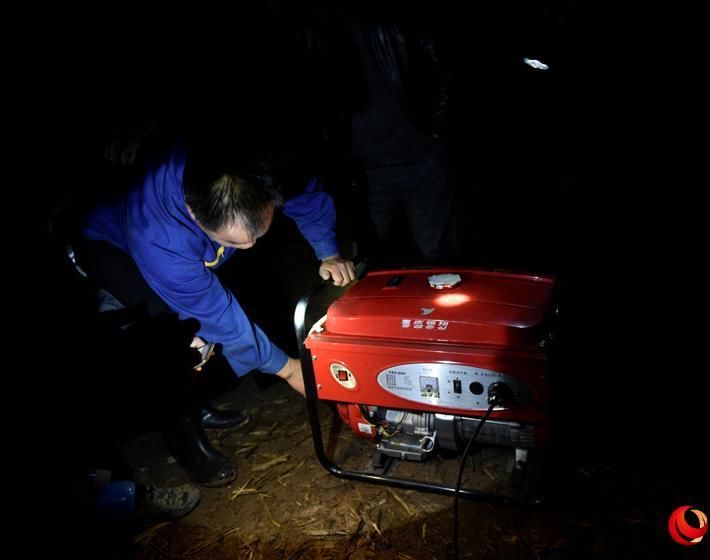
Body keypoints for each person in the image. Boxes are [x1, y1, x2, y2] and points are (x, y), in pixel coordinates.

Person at [69, 137, 356, 487]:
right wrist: (288, 369)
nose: (249, 246)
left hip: (189, 234)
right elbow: (217, 314)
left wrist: (327, 250)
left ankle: (206, 397)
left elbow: (305, 192)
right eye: (235, 241)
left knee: (245, 282)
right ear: (193, 212)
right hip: (111, 243)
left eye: (258, 233)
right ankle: (185, 439)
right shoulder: (158, 236)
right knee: (173, 336)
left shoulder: (265, 164)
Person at [321, 4, 458, 260]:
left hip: (421, 160)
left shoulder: (402, 19)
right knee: (369, 256)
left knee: (437, 253)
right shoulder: (325, 31)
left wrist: (436, 134)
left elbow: (442, 73)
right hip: (363, 170)